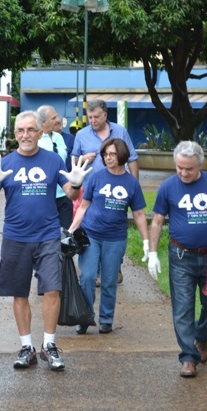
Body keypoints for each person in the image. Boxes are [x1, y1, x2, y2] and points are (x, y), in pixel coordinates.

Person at [0, 110, 91, 371]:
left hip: (47, 235)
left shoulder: (53, 160)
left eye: (31, 130)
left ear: (40, 133)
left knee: (52, 290)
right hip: (15, 237)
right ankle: (26, 347)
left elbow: (71, 194)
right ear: (15, 134)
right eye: (20, 130)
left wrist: (76, 184)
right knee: (19, 293)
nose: (25, 135)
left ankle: (49, 345)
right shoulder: (5, 162)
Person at [147, 141, 207, 378]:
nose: (184, 173)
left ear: (200, 165)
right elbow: (156, 221)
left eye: (189, 169)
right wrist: (153, 253)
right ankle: (188, 357)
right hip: (181, 256)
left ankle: (201, 336)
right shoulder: (167, 187)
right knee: (183, 309)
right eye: (179, 168)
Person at [68, 138, 149, 335]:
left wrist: (146, 241)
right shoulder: (96, 177)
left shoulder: (132, 183)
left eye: (112, 154)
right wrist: (71, 230)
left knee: (109, 280)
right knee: (86, 277)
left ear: (121, 156)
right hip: (91, 235)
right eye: (105, 154)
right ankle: (85, 316)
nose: (108, 157)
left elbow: (138, 214)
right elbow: (83, 206)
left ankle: (106, 319)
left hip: (115, 238)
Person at [70, 99, 139, 284]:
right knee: (91, 226)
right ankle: (95, 270)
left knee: (116, 226)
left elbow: (132, 158)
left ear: (105, 115)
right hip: (92, 189)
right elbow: (74, 162)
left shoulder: (120, 131)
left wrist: (135, 183)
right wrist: (84, 158)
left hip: (118, 189)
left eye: (96, 117)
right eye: (90, 117)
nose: (92, 120)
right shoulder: (82, 135)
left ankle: (115, 266)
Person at [37, 105, 72, 229]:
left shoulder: (59, 137)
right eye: (53, 118)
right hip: (45, 194)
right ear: (43, 122)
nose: (57, 120)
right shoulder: (36, 139)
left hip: (64, 193)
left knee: (66, 231)